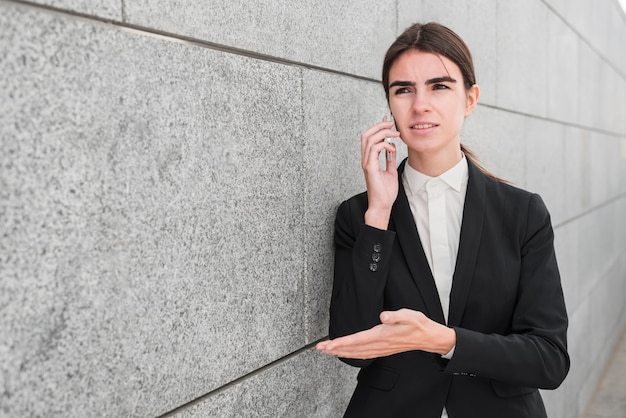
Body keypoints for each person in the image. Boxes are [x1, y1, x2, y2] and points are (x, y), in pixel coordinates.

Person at [316, 22, 569, 418]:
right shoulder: (360, 216)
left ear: (470, 99)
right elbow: (352, 348)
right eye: (403, 89)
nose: (420, 105)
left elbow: (549, 359)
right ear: (389, 104)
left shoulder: (523, 214)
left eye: (439, 86)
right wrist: (379, 214)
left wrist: (445, 340)